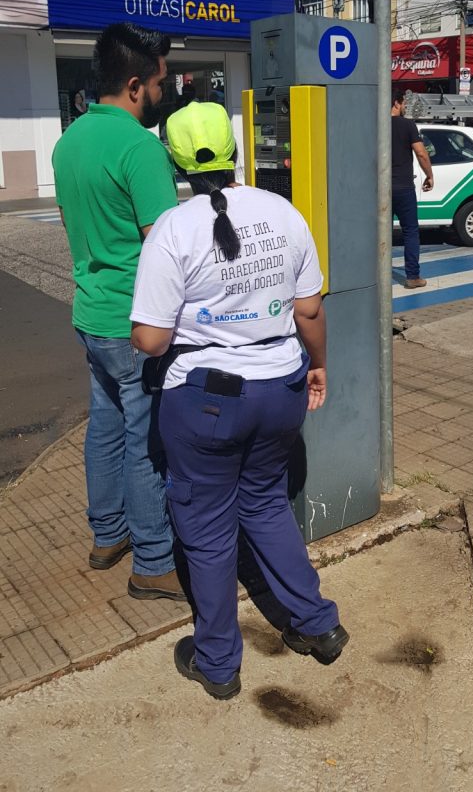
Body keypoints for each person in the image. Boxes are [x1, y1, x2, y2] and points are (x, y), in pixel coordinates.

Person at [130, 100, 348, 700]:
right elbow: (309, 310)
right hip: (281, 386)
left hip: (206, 402)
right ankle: (318, 624)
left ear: (174, 159)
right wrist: (320, 365)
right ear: (233, 150)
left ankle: (219, 663)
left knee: (205, 530)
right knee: (268, 506)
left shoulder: (174, 229)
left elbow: (150, 340)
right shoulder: (282, 210)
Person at [52, 22, 186, 601]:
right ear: (136, 85)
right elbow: (165, 247)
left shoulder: (69, 140)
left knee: (104, 427)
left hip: (90, 314)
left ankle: (107, 535)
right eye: (160, 83)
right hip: (135, 324)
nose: (164, 93)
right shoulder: (139, 148)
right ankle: (154, 562)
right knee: (145, 438)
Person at [391, 89, 434, 289]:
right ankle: (413, 276)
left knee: (377, 233)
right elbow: (421, 153)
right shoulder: (407, 125)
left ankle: (372, 275)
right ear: (396, 103)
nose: (405, 106)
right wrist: (429, 175)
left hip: (379, 189)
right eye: (403, 103)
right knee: (410, 231)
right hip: (403, 187)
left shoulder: (374, 125)